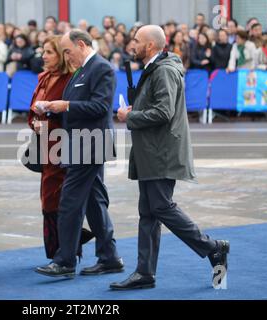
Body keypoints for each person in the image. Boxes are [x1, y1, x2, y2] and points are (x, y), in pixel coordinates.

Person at [114, 25, 229, 290]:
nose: (132, 44)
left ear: (151, 46)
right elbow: (157, 107)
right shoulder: (156, 68)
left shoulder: (163, 70)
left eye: (137, 40)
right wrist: (136, 110)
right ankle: (144, 273)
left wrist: (129, 116)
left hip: (160, 152)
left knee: (161, 207)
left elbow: (164, 112)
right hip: (152, 151)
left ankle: (213, 248)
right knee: (148, 212)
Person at [34, 29, 122, 278]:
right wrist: (52, 109)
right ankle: (110, 257)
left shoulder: (101, 68)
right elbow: (77, 107)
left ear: (81, 45)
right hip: (81, 144)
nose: (66, 56)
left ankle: (65, 261)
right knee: (95, 204)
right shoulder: (82, 70)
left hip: (90, 145)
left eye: (68, 51)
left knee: (70, 202)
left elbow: (101, 107)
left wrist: (66, 105)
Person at [27, 35, 94, 260]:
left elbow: (75, 113)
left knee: (60, 198)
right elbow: (32, 110)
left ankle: (67, 251)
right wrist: (35, 122)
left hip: (65, 145)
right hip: (46, 145)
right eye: (43, 51)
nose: (43, 56)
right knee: (48, 198)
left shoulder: (71, 79)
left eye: (49, 52)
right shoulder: (43, 77)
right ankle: (64, 247)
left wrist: (52, 113)